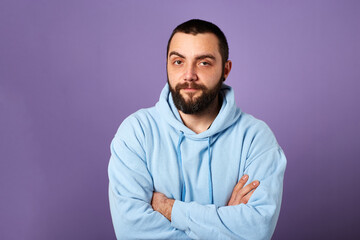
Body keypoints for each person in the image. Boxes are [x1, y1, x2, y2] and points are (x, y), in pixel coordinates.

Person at [108, 19, 286, 240]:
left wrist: (168, 208)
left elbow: (257, 231)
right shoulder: (136, 133)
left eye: (204, 63)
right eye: (178, 61)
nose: (189, 74)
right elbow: (131, 233)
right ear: (166, 65)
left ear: (225, 70)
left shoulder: (256, 139)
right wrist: (226, 223)